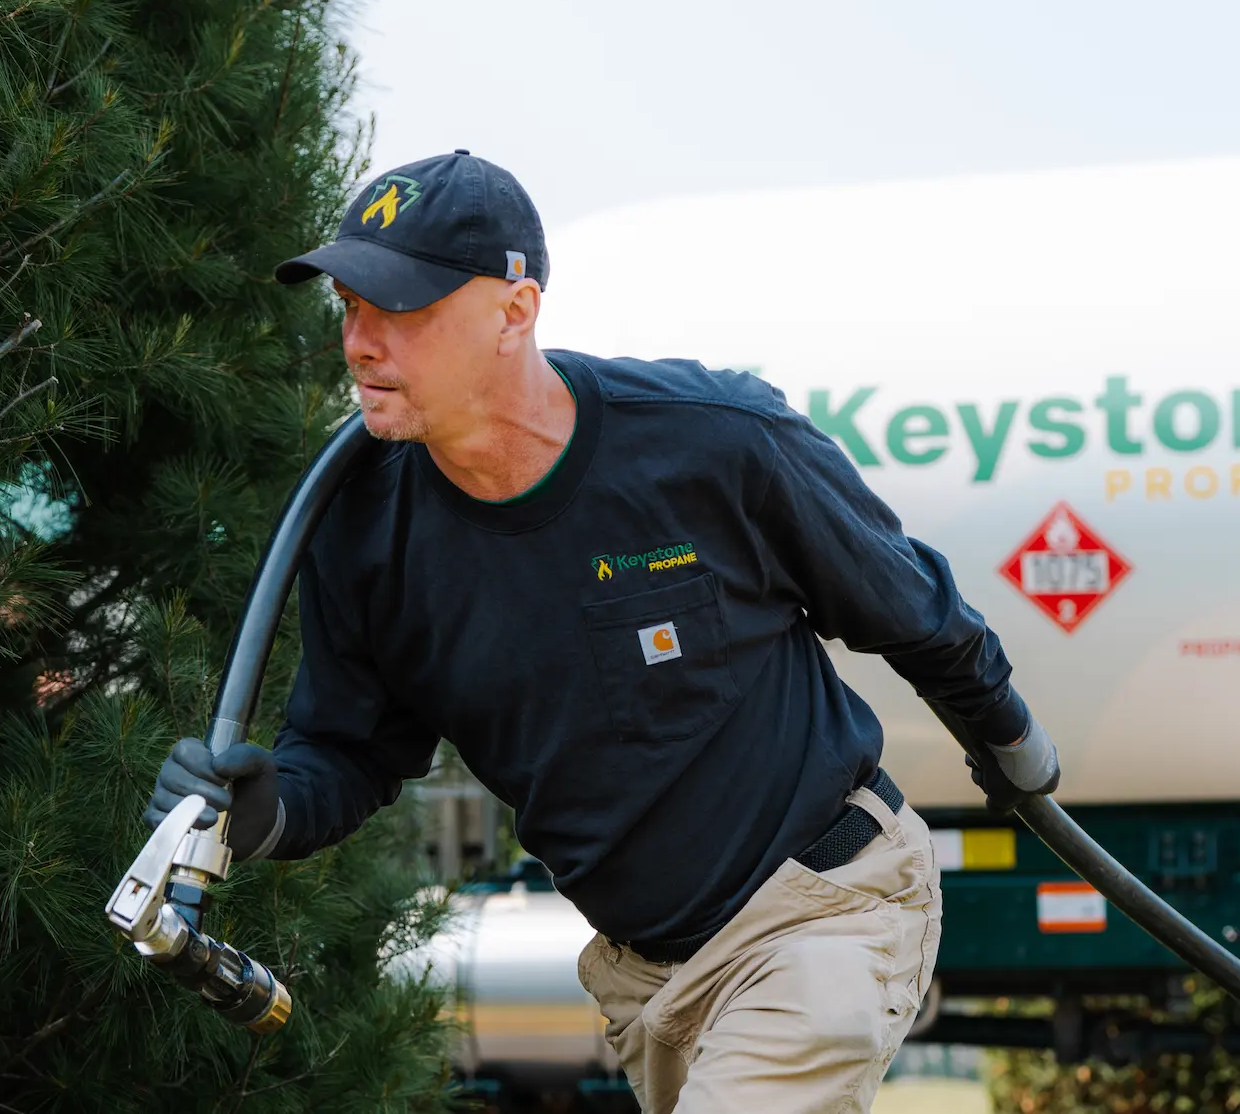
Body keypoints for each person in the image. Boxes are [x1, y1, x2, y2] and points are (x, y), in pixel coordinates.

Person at [144, 150, 1059, 1113]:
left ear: (515, 309)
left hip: (823, 911)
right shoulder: (363, 527)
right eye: (347, 306)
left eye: (399, 310)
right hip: (644, 981)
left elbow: (907, 604)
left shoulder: (713, 442)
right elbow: (351, 750)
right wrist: (266, 810)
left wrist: (1009, 738)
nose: (360, 343)